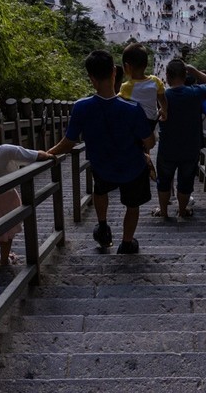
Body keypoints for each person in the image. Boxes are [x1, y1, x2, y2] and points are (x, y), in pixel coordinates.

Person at [46, 50, 156, 254]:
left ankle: (103, 225)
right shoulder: (132, 109)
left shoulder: (81, 107)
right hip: (132, 167)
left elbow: (69, 142)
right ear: (114, 71)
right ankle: (127, 242)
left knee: (100, 189)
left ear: (91, 79)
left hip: (102, 166)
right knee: (132, 206)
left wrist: (46, 154)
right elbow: (149, 141)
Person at [0, 106, 52, 268]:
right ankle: (5, 259)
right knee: (7, 232)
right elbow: (37, 155)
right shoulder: (7, 151)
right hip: (6, 202)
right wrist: (49, 154)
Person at [153, 59, 206, 219]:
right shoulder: (195, 93)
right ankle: (182, 210)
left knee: (164, 180)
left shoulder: (163, 95)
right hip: (190, 147)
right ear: (185, 74)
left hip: (167, 147)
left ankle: (164, 212)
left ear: (167, 76)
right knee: (186, 181)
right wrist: (194, 71)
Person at [119, 43, 166, 181]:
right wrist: (165, 111)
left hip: (134, 122)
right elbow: (163, 98)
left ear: (127, 67)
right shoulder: (155, 81)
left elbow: (118, 102)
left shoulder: (126, 87)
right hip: (151, 121)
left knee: (135, 144)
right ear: (146, 64)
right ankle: (146, 158)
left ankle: (142, 162)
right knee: (146, 143)